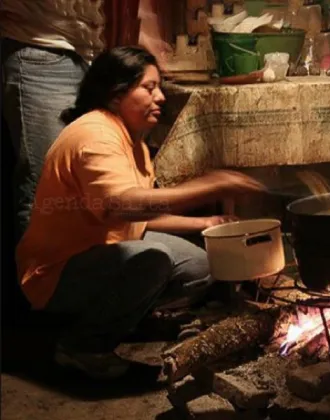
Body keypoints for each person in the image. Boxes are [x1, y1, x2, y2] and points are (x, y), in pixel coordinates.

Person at [16, 46, 265, 380]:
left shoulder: (131, 139)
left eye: (159, 87)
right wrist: (212, 186)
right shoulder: (96, 134)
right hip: (55, 274)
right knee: (153, 260)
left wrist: (206, 222)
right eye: (149, 88)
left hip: (101, 252)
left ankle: (125, 318)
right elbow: (123, 204)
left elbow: (138, 216)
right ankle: (82, 347)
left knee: (203, 264)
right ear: (116, 93)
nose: (160, 97)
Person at [0, 0, 172, 241]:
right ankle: (45, 276)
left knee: (95, 175)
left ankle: (92, 271)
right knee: (48, 189)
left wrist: (142, 24)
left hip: (91, 50)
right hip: (41, 45)